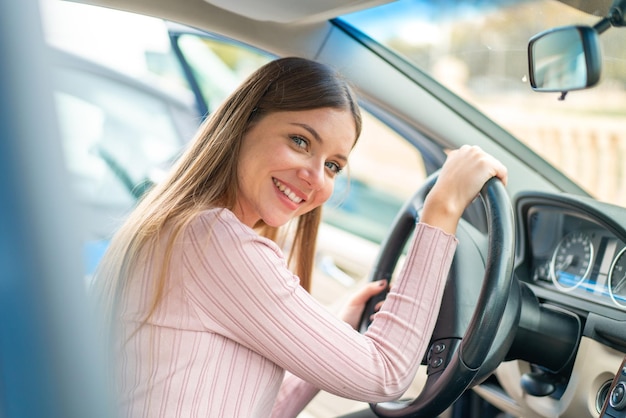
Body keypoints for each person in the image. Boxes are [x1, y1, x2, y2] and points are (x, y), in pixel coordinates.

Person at [92, 56, 507, 418]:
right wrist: (443, 209)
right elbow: (386, 373)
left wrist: (338, 326)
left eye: (333, 166)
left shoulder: (188, 228)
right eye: (299, 141)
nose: (315, 177)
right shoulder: (216, 241)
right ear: (243, 125)